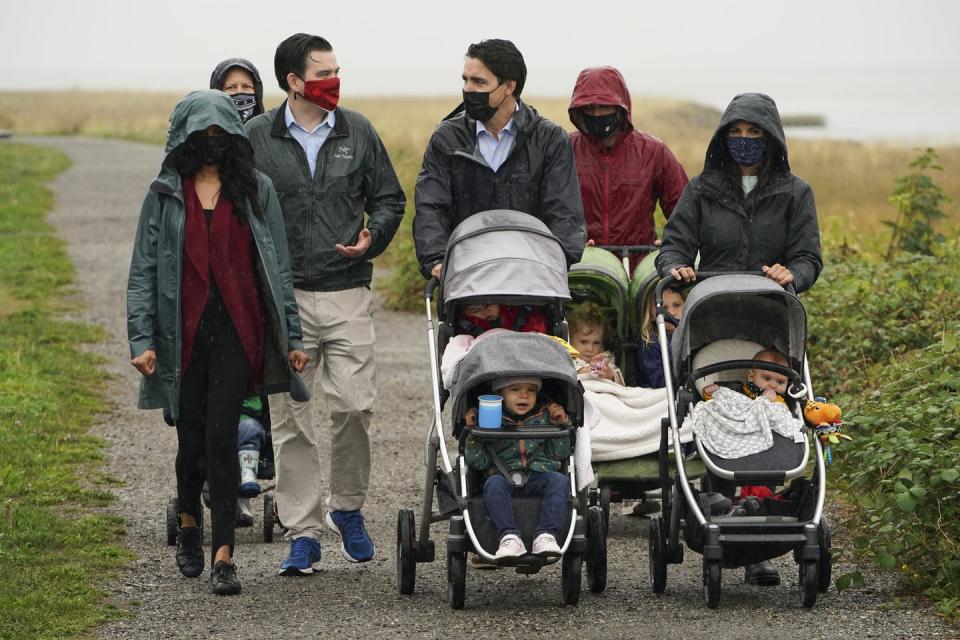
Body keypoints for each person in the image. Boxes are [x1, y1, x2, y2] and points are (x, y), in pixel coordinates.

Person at [126, 90, 308, 595]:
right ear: (184, 139)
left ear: (233, 138)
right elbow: (143, 270)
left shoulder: (255, 190)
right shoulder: (164, 194)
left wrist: (290, 336)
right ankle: (188, 522)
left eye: (220, 135)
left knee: (224, 435)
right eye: (201, 136)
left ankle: (223, 556)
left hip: (237, 331)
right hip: (180, 335)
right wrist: (142, 338)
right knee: (192, 441)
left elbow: (278, 269)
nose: (212, 144)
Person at [244, 33, 406, 573]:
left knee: (355, 406)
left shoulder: (357, 131)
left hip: (346, 290)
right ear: (293, 82)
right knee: (291, 418)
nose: (334, 81)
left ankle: (348, 510)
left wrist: (374, 236)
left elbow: (389, 197)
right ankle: (303, 533)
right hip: (284, 299)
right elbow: (240, 215)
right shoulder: (256, 139)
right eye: (322, 74)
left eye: (337, 71)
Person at [413, 38, 587, 280]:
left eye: (479, 82)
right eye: (465, 80)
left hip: (532, 275)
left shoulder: (549, 139)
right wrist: (435, 260)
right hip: (465, 274)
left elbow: (564, 213)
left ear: (508, 86)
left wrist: (554, 263)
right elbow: (431, 205)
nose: (468, 89)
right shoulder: (446, 137)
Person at [656, 92, 823, 293]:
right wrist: (675, 267)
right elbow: (674, 246)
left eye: (754, 131)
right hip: (711, 304)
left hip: (773, 306)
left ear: (770, 137)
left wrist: (793, 274)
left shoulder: (796, 193)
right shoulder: (700, 189)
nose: (744, 138)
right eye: (735, 131)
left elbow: (807, 257)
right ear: (724, 137)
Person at [568, 66, 687, 268]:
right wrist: (569, 241)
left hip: (639, 268)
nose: (596, 114)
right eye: (589, 108)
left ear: (621, 108)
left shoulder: (653, 152)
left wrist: (671, 247)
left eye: (604, 106)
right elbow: (547, 211)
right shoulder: (565, 149)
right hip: (580, 269)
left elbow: (686, 213)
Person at [699, 348, 794, 586]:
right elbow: (716, 402)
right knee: (721, 483)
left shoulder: (782, 400)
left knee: (762, 489)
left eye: (780, 381)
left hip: (765, 452)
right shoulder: (733, 390)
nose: (772, 385)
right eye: (767, 378)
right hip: (732, 443)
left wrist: (772, 404)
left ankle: (757, 553)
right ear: (751, 376)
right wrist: (710, 392)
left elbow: (783, 419)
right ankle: (722, 505)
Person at [464, 377, 571, 559]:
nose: (524, 395)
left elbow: (559, 454)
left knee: (559, 480)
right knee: (493, 483)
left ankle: (546, 535)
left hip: (539, 474)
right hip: (502, 476)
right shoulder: (488, 418)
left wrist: (560, 425)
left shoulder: (545, 416)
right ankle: (509, 537)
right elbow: (479, 463)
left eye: (531, 390)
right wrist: (473, 435)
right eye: (514, 389)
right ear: (499, 394)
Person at [635, 284, 685, 388]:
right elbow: (657, 381)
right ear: (652, 315)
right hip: (663, 392)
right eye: (664, 308)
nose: (672, 312)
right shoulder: (650, 343)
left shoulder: (693, 336)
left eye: (676, 305)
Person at [566, 302, 623, 385]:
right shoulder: (566, 358)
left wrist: (611, 375)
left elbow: (622, 386)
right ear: (570, 340)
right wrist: (589, 370)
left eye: (596, 343)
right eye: (584, 342)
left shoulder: (605, 358)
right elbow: (566, 375)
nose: (590, 349)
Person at [210, 58, 265, 124]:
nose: (239, 92)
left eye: (246, 86)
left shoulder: (268, 130)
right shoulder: (203, 132)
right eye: (231, 87)